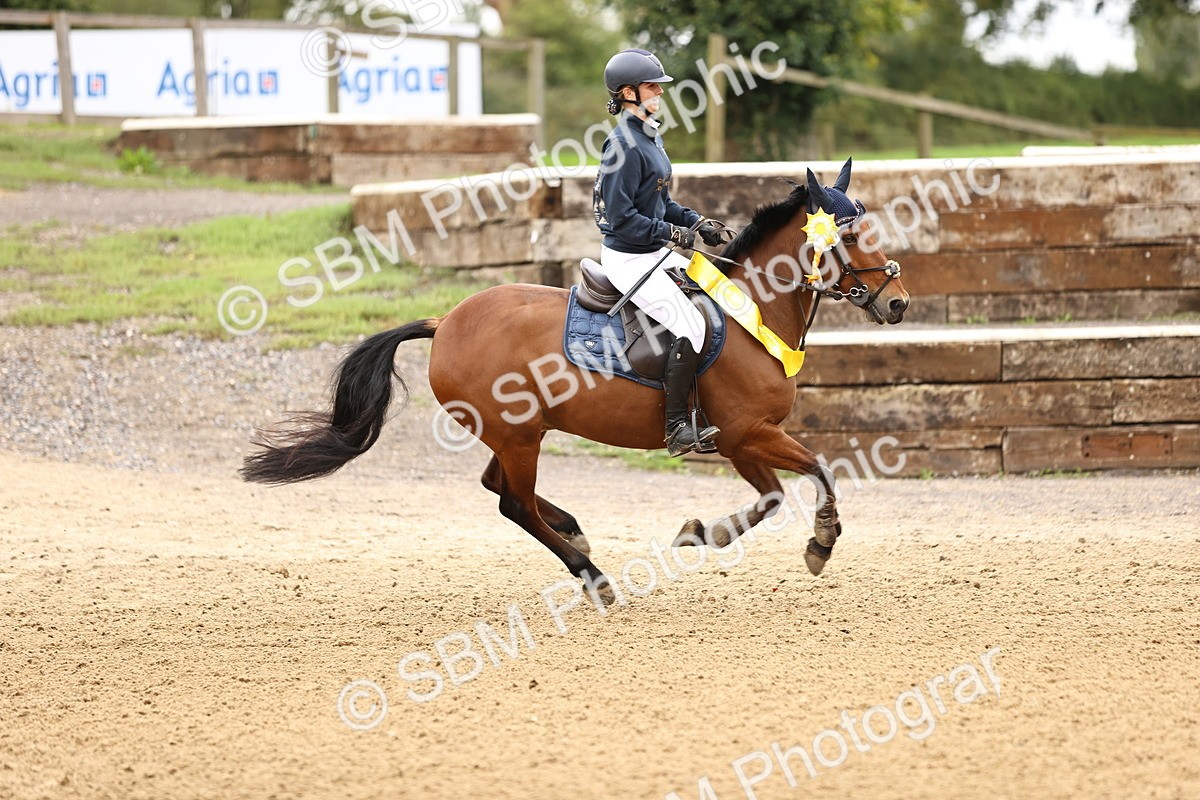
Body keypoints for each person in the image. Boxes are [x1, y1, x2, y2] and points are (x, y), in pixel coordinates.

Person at [592, 48, 728, 457]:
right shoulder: (622, 146)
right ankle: (677, 428)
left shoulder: (650, 136)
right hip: (628, 257)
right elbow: (622, 219)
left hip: (652, 251)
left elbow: (660, 202)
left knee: (717, 292)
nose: (660, 93)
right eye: (652, 86)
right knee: (691, 326)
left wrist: (696, 222)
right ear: (628, 93)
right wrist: (671, 232)